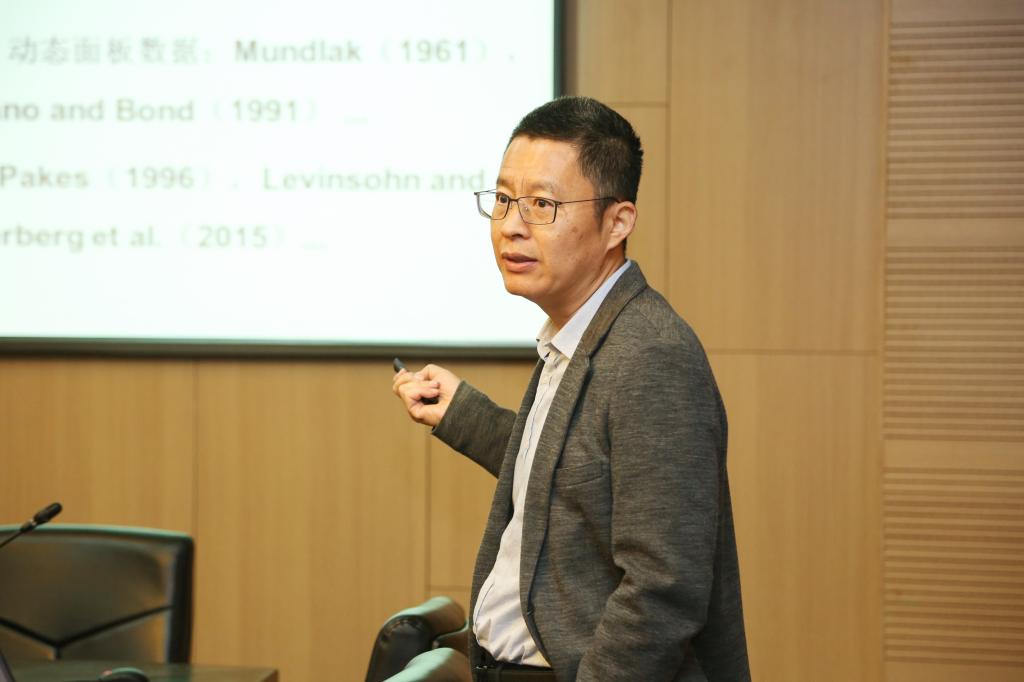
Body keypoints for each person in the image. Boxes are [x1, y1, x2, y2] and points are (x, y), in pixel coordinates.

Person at [392, 96, 750, 682]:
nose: (511, 225)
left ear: (618, 222)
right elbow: (571, 476)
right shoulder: (580, 336)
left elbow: (664, 590)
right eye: (503, 199)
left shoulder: (649, 353)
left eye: (542, 204)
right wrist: (463, 413)